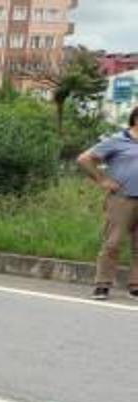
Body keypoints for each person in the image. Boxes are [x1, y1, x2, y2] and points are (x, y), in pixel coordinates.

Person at [78, 107, 138, 300]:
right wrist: (102, 180)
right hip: (122, 198)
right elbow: (84, 159)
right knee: (112, 243)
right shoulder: (118, 140)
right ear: (135, 119)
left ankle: (135, 285)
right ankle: (102, 284)